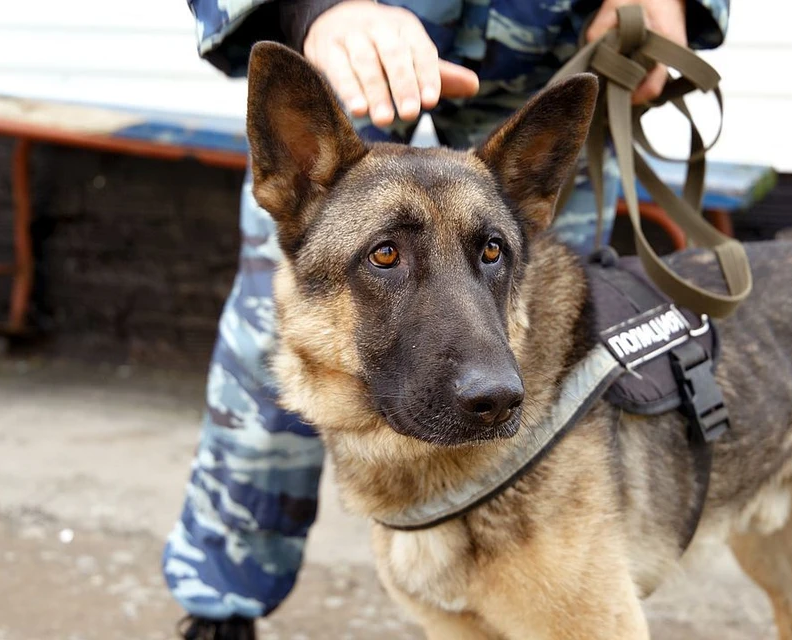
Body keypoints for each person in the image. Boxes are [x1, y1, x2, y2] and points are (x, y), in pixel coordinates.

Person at [164, 0, 730, 633]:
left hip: (544, 45)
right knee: (274, 356)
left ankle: (556, 592)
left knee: (553, 355)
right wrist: (315, 9)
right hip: (355, 48)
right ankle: (222, 603)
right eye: (386, 256)